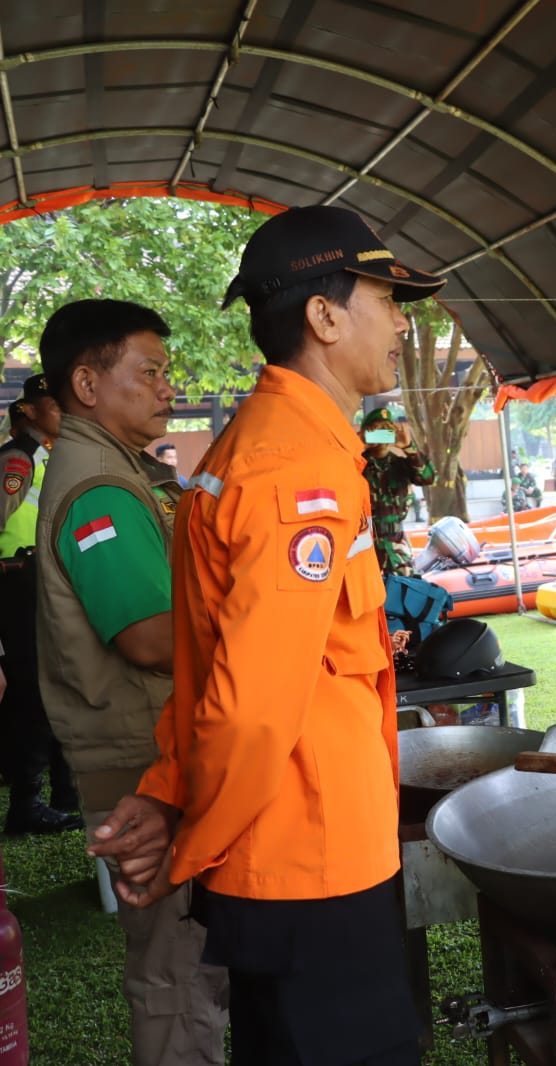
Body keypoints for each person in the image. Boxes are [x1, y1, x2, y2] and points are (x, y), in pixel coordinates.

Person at [88, 203, 447, 1066]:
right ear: (324, 316)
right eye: (386, 300)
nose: (403, 324)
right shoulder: (295, 469)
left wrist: (170, 790)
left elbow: (210, 666)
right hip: (309, 863)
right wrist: (190, 839)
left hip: (301, 853)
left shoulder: (271, 446)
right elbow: (251, 707)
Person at [32, 299, 228, 1064]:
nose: (167, 388)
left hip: (154, 753)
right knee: (177, 977)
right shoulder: (99, 490)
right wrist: (252, 632)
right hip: (140, 765)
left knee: (190, 969)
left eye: (166, 372)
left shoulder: (120, 471)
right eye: (149, 372)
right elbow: (147, 637)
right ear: (87, 384)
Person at [0, 374, 81, 835]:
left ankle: (64, 792)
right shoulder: (18, 459)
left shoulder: (48, 456)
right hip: (17, 583)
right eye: (53, 404)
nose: (62, 411)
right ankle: (26, 803)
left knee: (53, 683)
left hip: (42, 580)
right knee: (32, 688)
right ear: (29, 410)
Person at [360, 406, 435, 577]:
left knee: (403, 589)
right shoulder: (357, 465)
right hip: (364, 542)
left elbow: (428, 477)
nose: (382, 436)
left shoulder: (402, 465)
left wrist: (409, 447)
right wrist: (357, 444)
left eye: (387, 430)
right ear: (366, 434)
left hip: (397, 545)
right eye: (376, 431)